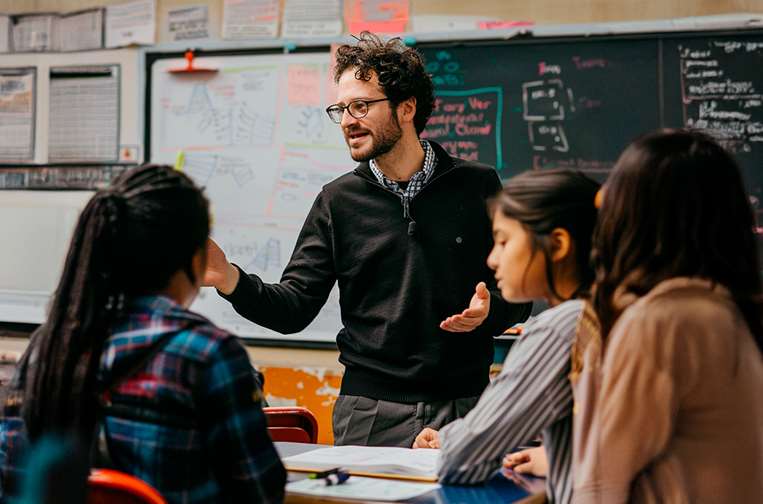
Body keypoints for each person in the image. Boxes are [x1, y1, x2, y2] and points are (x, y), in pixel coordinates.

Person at [203, 32, 531, 448]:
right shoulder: (337, 201)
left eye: (360, 106)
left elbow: (521, 293)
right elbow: (293, 309)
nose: (346, 121)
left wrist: (491, 313)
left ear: (407, 107)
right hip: (369, 414)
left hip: (466, 406)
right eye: (340, 109)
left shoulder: (477, 185)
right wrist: (229, 279)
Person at [0, 165, 286, 503]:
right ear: (196, 258)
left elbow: (11, 478)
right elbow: (260, 491)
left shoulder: (47, 346)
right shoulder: (207, 354)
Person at [572, 129, 763, 503]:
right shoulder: (729, 310)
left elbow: (597, 483)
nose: (600, 200)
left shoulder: (660, 323)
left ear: (637, 217)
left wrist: (594, 330)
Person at [412, 169, 600, 504]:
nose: (492, 259)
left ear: (557, 245)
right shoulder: (619, 311)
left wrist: (455, 442)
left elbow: (462, 461)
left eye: (503, 241)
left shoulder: (561, 329)